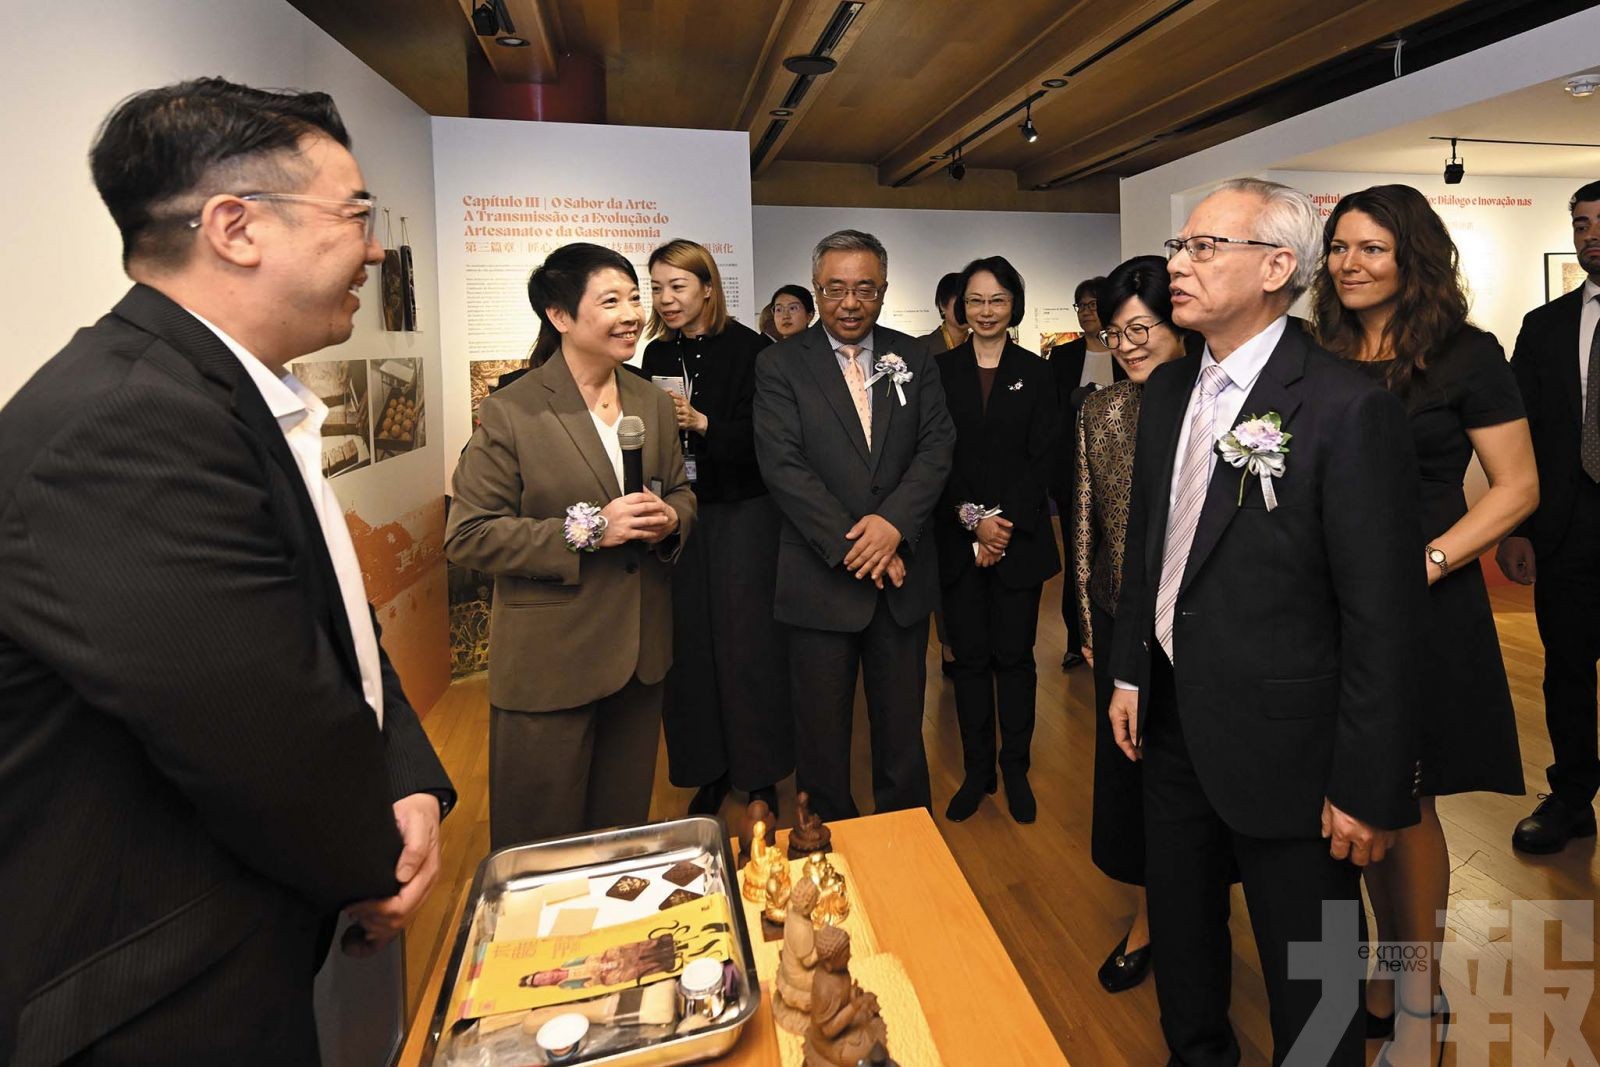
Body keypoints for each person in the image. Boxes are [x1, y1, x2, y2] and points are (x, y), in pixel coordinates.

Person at [0, 78, 454, 1065]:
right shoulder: (123, 423)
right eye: (355, 214)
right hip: (153, 993)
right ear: (236, 227)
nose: (375, 249)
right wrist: (372, 854)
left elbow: (331, 624)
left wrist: (407, 777)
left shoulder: (220, 393)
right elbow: (255, 721)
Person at [1108, 178, 1426, 1066]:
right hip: (1170, 719)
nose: (1179, 264)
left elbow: (1384, 617)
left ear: (1277, 267)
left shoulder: (1346, 406)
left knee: (1312, 984)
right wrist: (1132, 668)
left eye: (1204, 247)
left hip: (1292, 746)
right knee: (1184, 936)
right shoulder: (1169, 388)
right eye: (1180, 246)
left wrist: (1369, 785)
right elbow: (1149, 544)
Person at [1313, 184, 1535, 1054]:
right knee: (1362, 793)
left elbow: (1518, 487)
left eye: (1372, 248)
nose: (1350, 264)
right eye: (1339, 247)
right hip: (1332, 598)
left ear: (1414, 256)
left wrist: (1429, 562)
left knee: (1409, 795)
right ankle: (1384, 962)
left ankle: (1418, 983)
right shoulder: (1318, 351)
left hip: (1425, 600)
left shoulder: (1465, 354)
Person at [445, 242, 695, 849]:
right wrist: (589, 530)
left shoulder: (651, 402)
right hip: (551, 661)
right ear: (559, 316)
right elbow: (468, 534)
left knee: (620, 838)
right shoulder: (512, 410)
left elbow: (682, 492)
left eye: (634, 298)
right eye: (611, 301)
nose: (633, 314)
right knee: (542, 846)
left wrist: (672, 520)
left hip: (640, 656)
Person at [753, 229, 955, 821]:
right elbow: (783, 466)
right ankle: (827, 847)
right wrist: (861, 546)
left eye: (865, 289)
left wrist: (893, 526)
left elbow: (937, 447)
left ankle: (908, 842)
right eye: (835, 288)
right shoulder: (779, 363)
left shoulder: (914, 357)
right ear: (816, 289)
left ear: (884, 291)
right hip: (820, 580)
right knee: (820, 739)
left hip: (900, 583)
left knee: (902, 735)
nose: (849, 303)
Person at [1073, 254, 1196, 993]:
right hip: (1127, 630)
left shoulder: (1215, 404)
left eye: (1141, 329)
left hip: (1206, 628)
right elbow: (1085, 525)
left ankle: (1209, 915)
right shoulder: (1102, 411)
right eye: (1115, 334)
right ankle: (1151, 917)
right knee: (1139, 777)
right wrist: (1093, 631)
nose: (1127, 346)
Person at [640, 238, 790, 819]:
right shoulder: (656, 353)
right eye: (657, 288)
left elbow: (771, 441)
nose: (666, 299)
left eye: (677, 286)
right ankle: (708, 770)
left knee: (747, 645)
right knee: (690, 647)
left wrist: (703, 423)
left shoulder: (753, 351)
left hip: (744, 516)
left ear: (707, 288)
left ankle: (759, 774)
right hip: (681, 516)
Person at [934, 256, 1060, 824]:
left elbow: (1044, 458)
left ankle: (1015, 768)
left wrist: (999, 526)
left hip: (1018, 541)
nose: (986, 311)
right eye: (976, 301)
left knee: (1015, 659)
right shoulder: (938, 371)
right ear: (961, 306)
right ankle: (977, 771)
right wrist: (973, 521)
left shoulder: (1038, 372)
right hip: (957, 541)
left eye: (998, 300)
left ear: (1015, 305)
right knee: (968, 661)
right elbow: (934, 456)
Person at [1499, 179, 1600, 855]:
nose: (1591, 235)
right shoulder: (1545, 326)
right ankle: (1571, 798)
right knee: (1566, 668)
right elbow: (1520, 433)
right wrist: (1517, 527)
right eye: (1581, 224)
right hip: (1569, 525)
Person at [1050, 277, 1119, 671]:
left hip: (1119, 476)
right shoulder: (1062, 357)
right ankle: (1077, 639)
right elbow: (1053, 418)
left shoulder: (1125, 350)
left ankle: (1114, 637)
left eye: (1093, 304)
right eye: (1081, 305)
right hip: (1072, 474)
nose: (1087, 311)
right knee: (1078, 557)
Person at [918, 271, 969, 353]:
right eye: (960, 303)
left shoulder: (984, 346)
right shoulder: (920, 346)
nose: (966, 309)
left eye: (971, 302)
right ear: (942, 305)